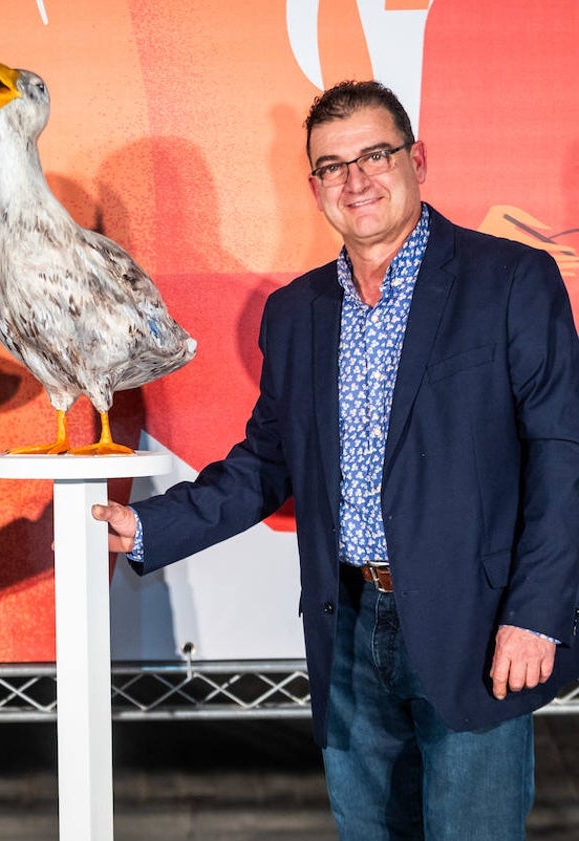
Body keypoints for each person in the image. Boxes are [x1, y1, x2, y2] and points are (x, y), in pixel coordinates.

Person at [94, 80, 579, 838]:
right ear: (313, 184)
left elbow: (562, 454)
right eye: (332, 166)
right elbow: (268, 461)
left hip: (477, 627)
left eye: (375, 155)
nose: (356, 180)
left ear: (416, 158)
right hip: (348, 626)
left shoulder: (511, 281)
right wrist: (150, 526)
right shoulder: (298, 311)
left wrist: (536, 614)